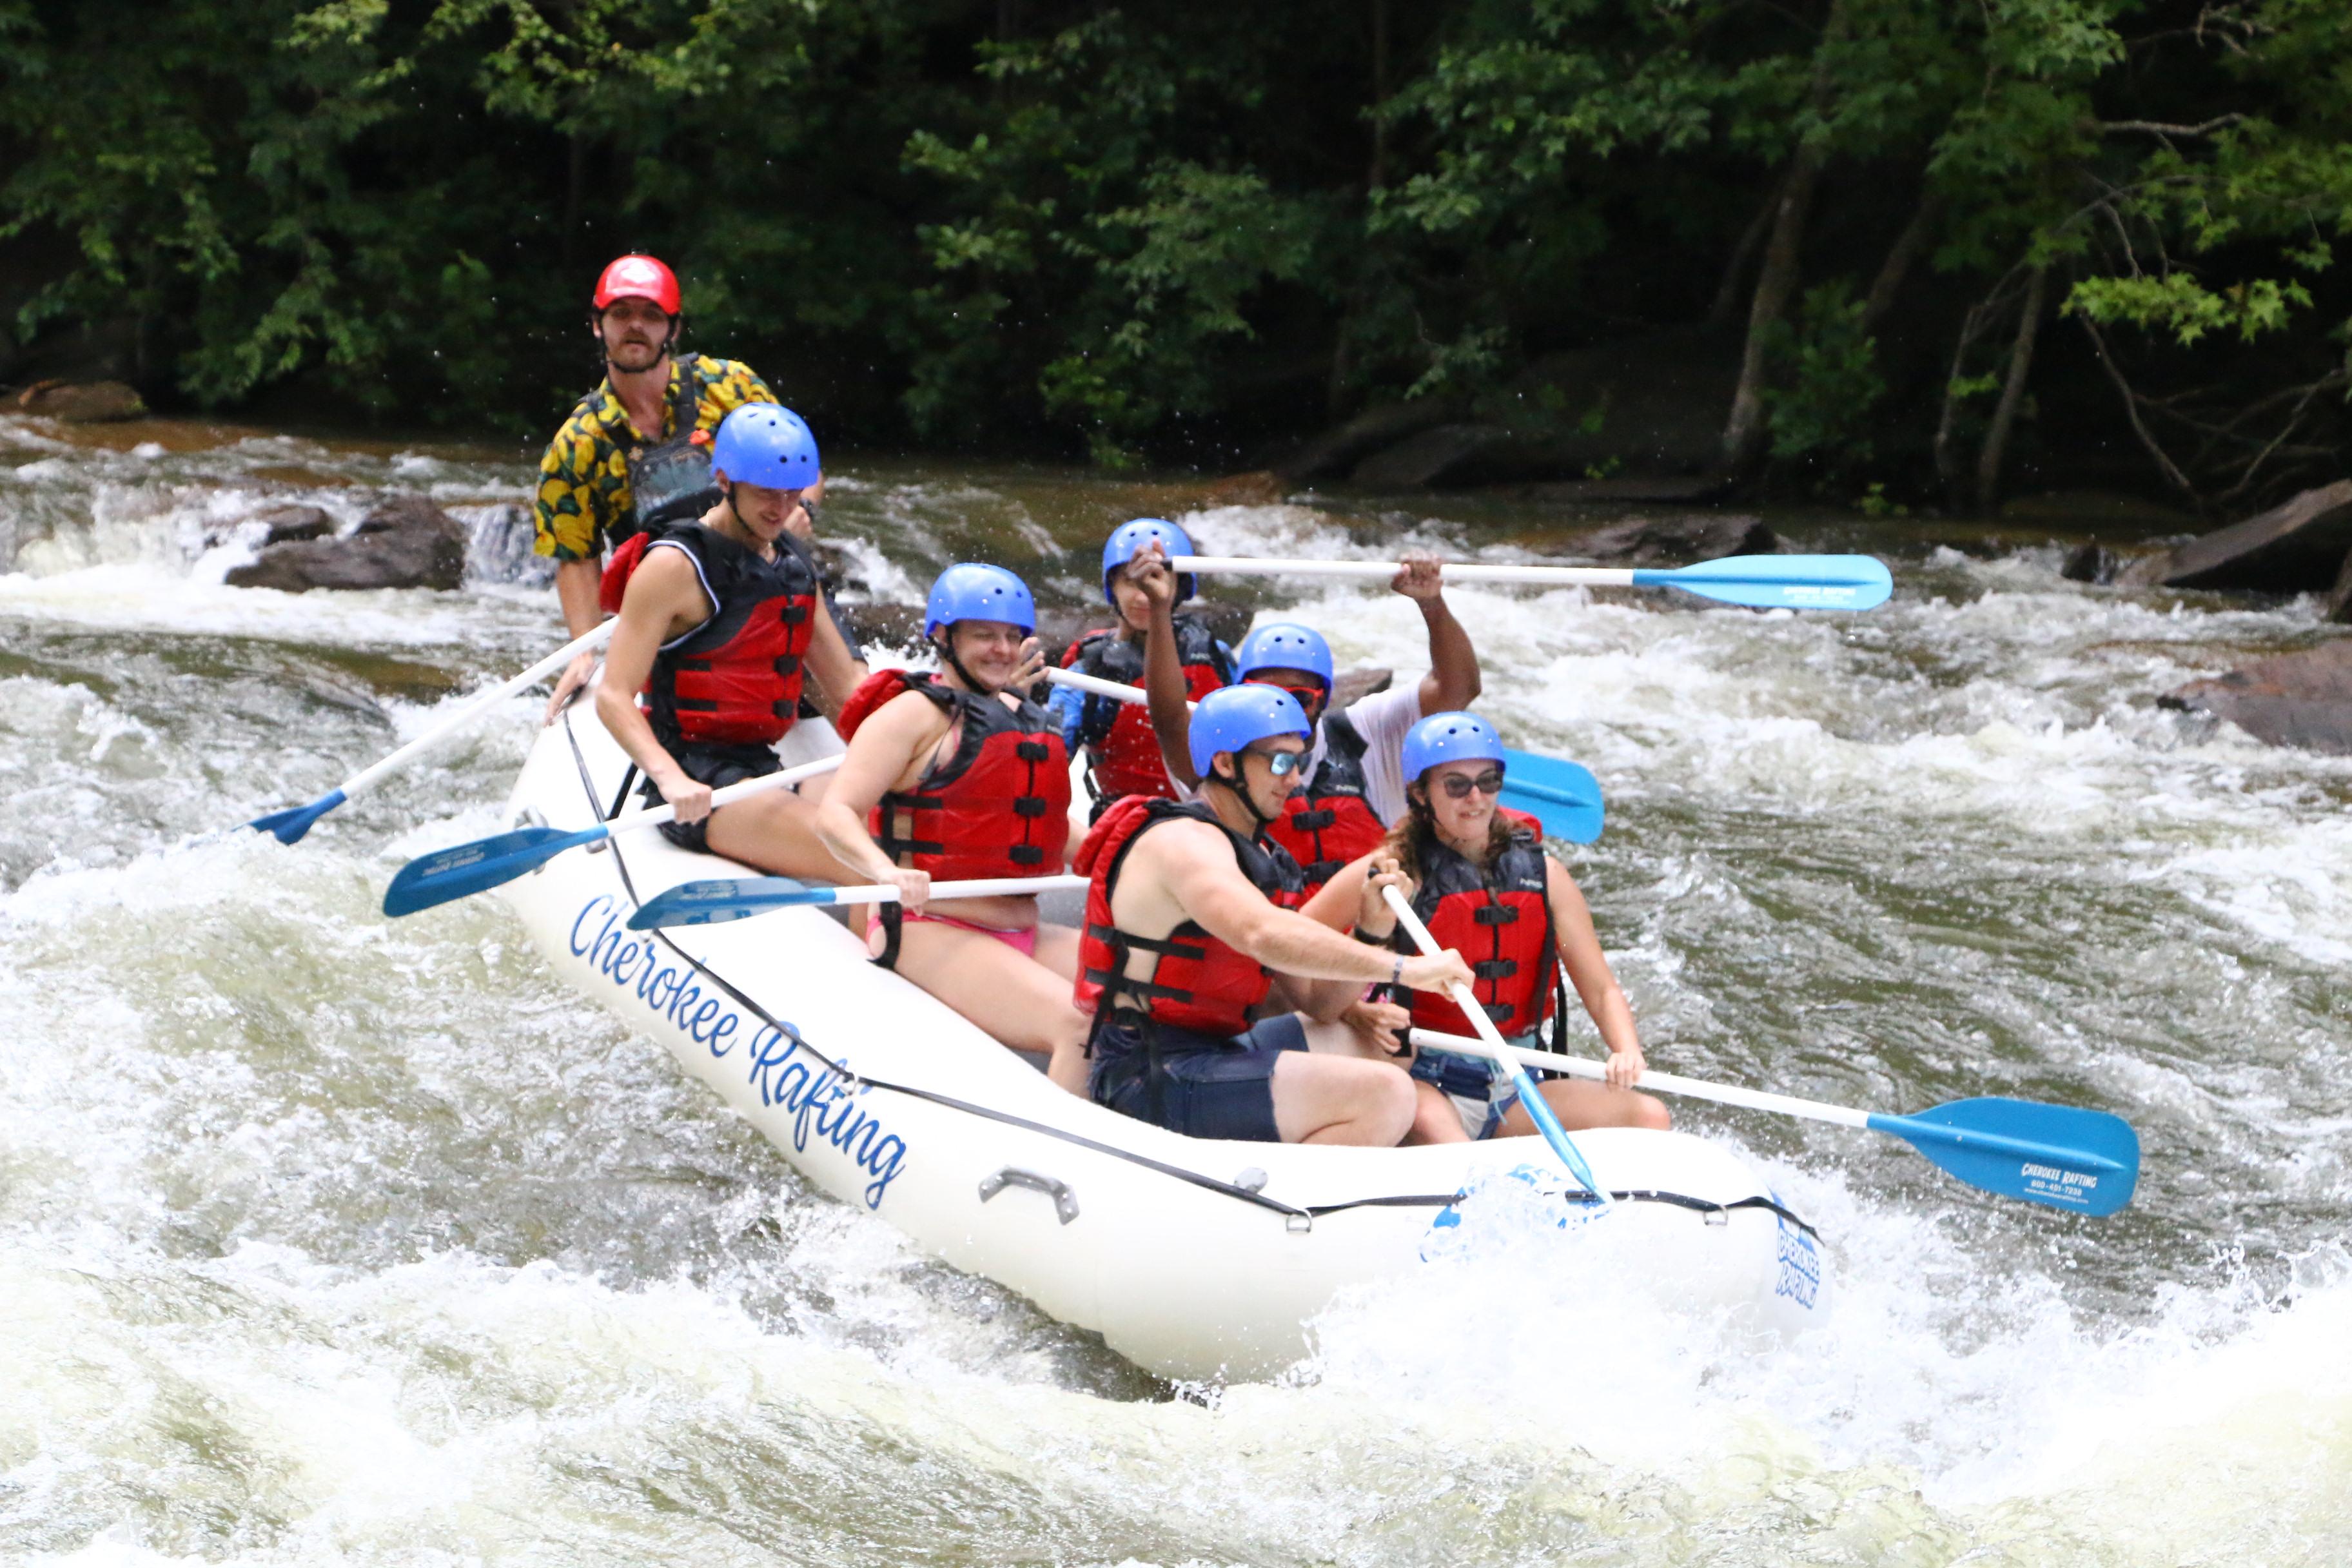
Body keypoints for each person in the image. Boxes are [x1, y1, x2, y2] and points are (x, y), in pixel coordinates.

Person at [1075, 685, 1478, 1144]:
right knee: (1387, 1095)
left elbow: (1318, 1003)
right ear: (1226, 764)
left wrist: (1372, 930)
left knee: (1386, 1051)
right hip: (1149, 1073)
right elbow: (1260, 933)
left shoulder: (1262, 855)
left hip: (1216, 1050)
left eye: (1299, 762)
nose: (1294, 780)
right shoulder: (1182, 842)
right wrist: (1405, 969)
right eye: (1280, 763)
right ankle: (1275, 1190)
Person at [1308, 711, 1669, 1143]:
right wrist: (1353, 1012)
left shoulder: (1546, 875)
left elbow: (1601, 988)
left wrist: (1626, 1050)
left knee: (1650, 1117)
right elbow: (1291, 943)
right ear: (1420, 793)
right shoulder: (1389, 872)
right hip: (1423, 1078)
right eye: (1456, 785)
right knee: (1460, 1154)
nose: (1475, 798)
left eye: (1488, 781)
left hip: (1520, 1081)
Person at [535, 254, 856, 717]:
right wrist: (583, 652)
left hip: (771, 573)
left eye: (651, 315)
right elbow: (576, 556)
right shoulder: (577, 444)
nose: (635, 326)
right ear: (598, 325)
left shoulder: (729, 387)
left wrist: (802, 509)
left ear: (674, 328)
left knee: (851, 694)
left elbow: (801, 465)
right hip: (677, 612)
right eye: (621, 314)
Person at [818, 565, 1093, 1093]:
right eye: (985, 635)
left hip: (1022, 928)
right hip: (929, 927)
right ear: (944, 637)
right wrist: (883, 872)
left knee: (1134, 995)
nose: (1002, 650)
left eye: (1012, 637)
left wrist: (1123, 859)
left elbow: (1046, 825)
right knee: (1078, 1024)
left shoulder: (1017, 715)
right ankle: (1063, 1140)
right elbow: (835, 813)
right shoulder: (910, 716)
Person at [595, 404, 861, 874]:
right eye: (766, 493)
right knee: (859, 855)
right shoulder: (673, 567)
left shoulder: (792, 564)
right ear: (723, 480)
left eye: (792, 494)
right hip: (697, 780)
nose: (782, 509)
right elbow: (613, 696)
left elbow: (848, 692)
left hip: (763, 765)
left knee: (896, 828)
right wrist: (670, 779)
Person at [1146, 558, 1481, 899]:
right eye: (1267, 693)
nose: (1281, 709)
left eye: (1300, 698)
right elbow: (1170, 720)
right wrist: (1160, 610)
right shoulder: (1222, 753)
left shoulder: (1365, 735)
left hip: (1370, 922)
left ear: (1324, 699)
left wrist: (1431, 603)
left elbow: (1458, 688)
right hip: (1266, 924)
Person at [1052, 518, 1234, 816]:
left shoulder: (1215, 655)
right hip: (1129, 827)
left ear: (1179, 587)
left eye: (1156, 578)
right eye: (1131, 581)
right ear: (1112, 586)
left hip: (1213, 820)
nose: (1143, 595)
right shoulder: (1090, 671)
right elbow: (1050, 766)